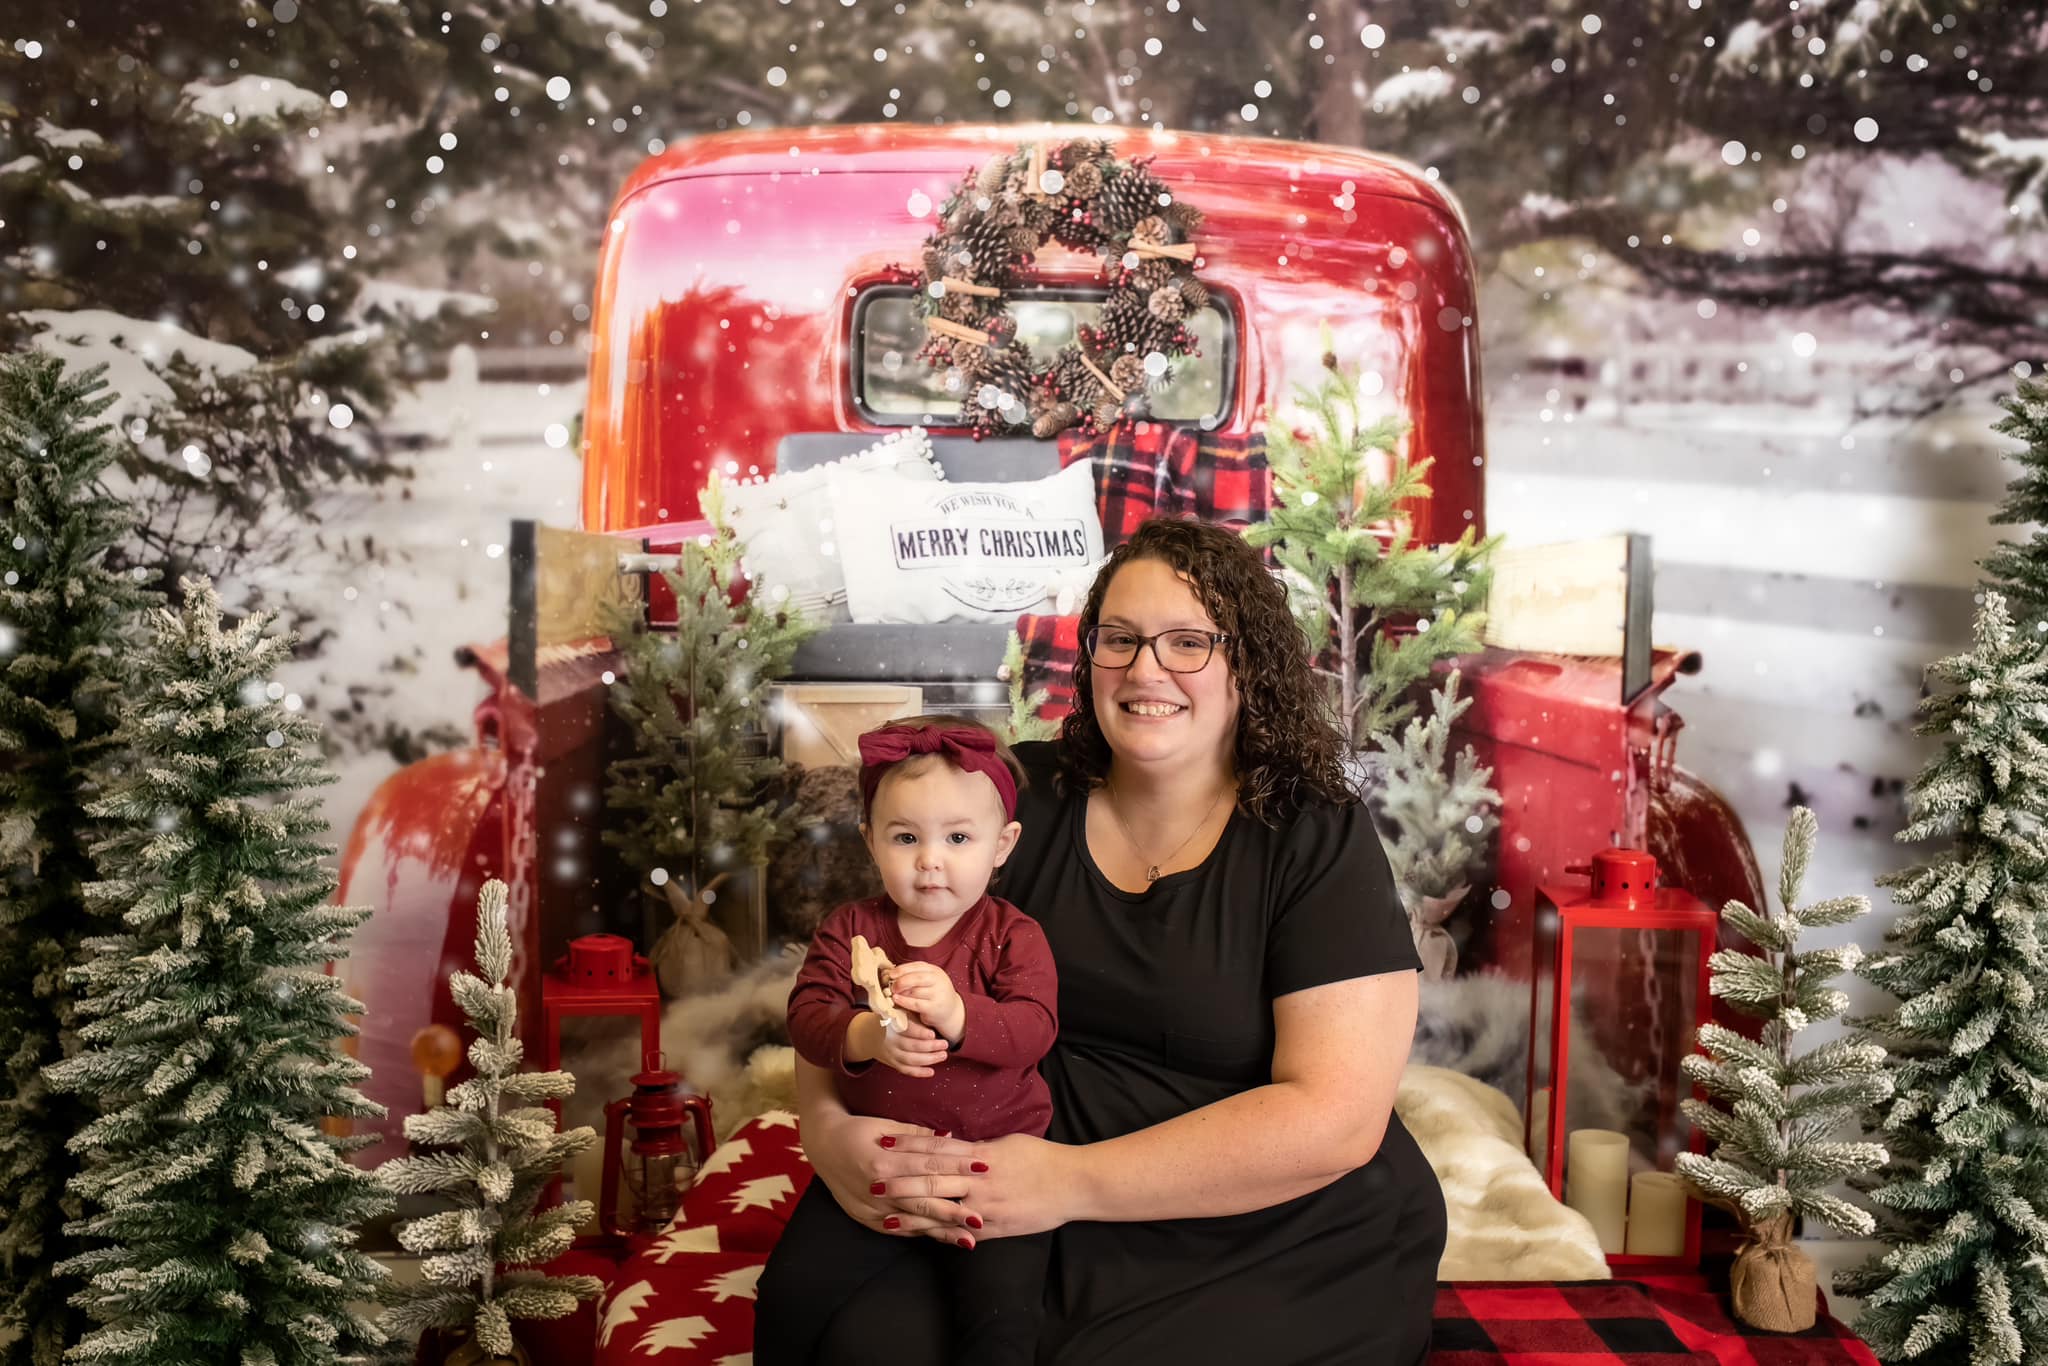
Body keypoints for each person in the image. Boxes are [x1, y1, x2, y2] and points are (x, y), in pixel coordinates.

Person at [760, 517, 1447, 1365]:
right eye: (1119, 639)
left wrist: (1068, 1184)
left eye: (1187, 642)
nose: (1145, 668)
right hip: (1014, 1175)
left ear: (1248, 667)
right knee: (862, 1347)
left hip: (1263, 1211)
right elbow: (857, 972)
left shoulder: (1313, 834)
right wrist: (828, 1139)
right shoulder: (1013, 800)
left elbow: (1335, 1118)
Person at [757, 717, 1059, 1366]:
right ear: (870, 841)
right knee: (788, 1290)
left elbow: (1036, 1028)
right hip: (879, 1169)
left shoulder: (1013, 936)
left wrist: (960, 1016)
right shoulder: (851, 930)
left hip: (993, 1166)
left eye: (957, 837)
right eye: (905, 837)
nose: (930, 860)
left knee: (1003, 1318)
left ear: (1002, 845)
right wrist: (864, 1033)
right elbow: (807, 1018)